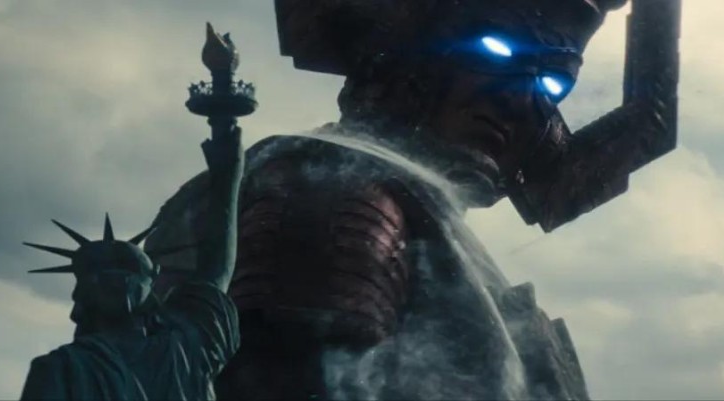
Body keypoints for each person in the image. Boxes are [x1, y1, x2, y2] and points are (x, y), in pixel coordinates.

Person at [143, 0, 679, 399]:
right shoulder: (335, 189)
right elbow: (286, 375)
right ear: (408, 57)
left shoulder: (394, 201)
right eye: (495, 51)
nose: (518, 100)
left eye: (551, 83)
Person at [19, 125, 244, 401]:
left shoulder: (61, 369)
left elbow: (215, 272)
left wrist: (227, 175)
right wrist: (227, 173)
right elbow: (215, 271)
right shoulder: (187, 350)